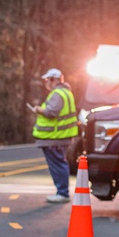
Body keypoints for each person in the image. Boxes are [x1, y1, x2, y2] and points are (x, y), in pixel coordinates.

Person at [33, 68, 78, 203]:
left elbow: (51, 112)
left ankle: (62, 192)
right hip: (61, 136)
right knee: (60, 163)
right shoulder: (66, 92)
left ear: (54, 79)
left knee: (58, 164)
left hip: (55, 137)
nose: (47, 83)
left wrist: (39, 110)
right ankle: (62, 191)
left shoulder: (57, 94)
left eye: (48, 79)